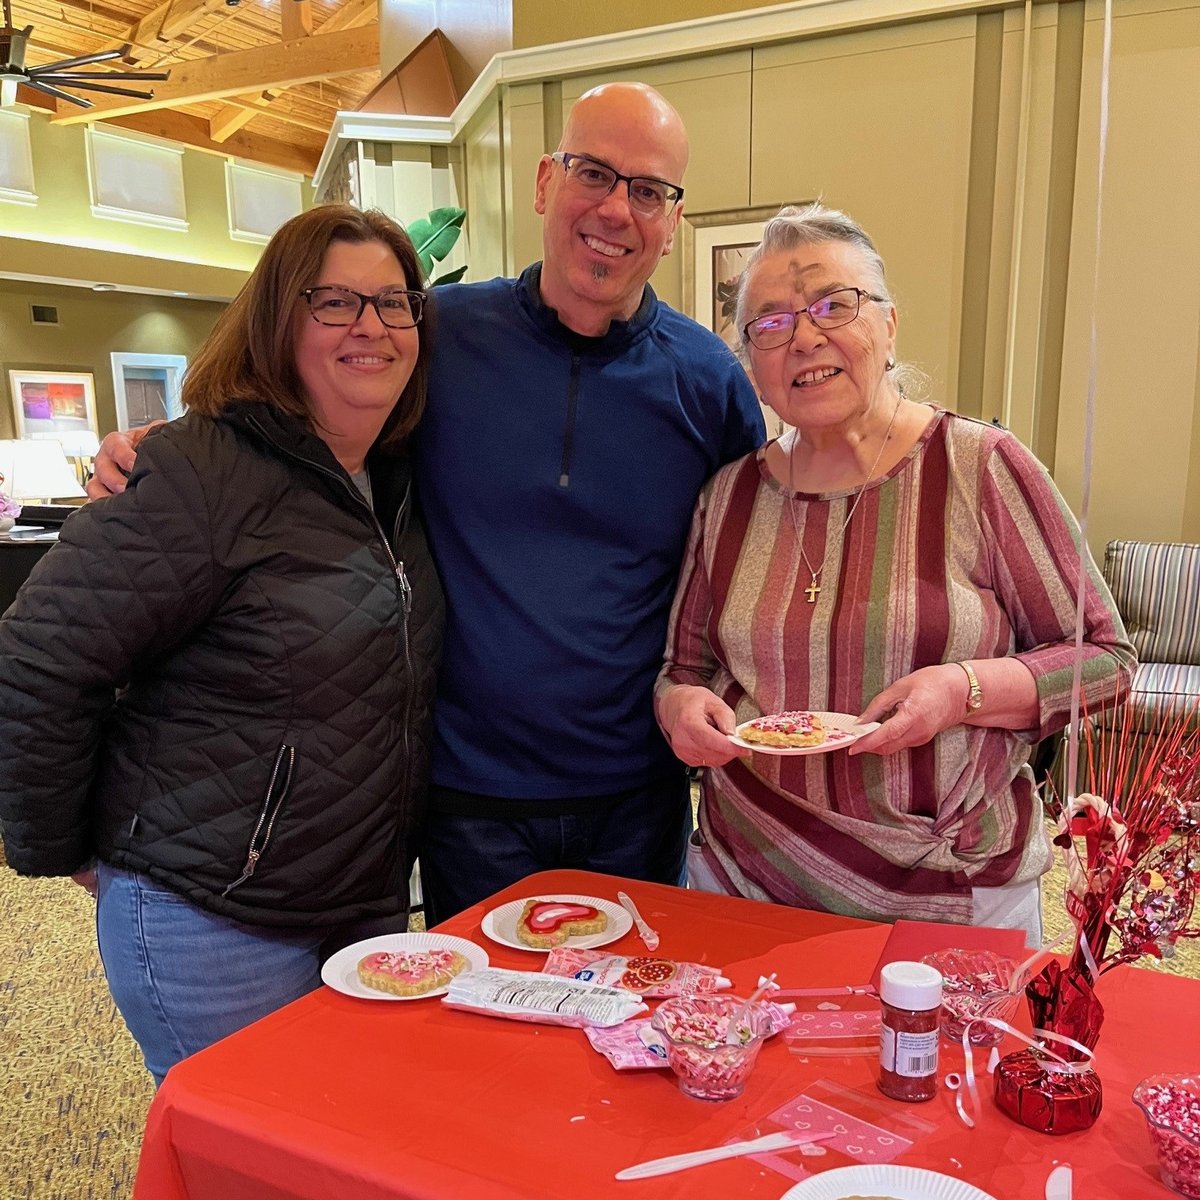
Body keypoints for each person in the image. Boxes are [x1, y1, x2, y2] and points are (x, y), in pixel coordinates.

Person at [89, 83, 766, 925]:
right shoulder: (436, 333)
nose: (617, 209)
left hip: (638, 791)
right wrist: (175, 445)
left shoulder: (709, 380)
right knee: (475, 1035)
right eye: (595, 173)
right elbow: (302, 417)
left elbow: (756, 553)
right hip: (465, 794)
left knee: (626, 1030)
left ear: (670, 221)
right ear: (547, 183)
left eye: (649, 190)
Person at [0, 204, 444, 1084]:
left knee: (330, 1145)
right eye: (336, 303)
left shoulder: (392, 477)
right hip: (210, 920)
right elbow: (38, 658)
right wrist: (69, 848)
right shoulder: (200, 469)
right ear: (278, 319)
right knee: (235, 1162)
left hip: (356, 905)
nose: (372, 328)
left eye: (394, 304)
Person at [655, 203, 1135, 945]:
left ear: (888, 324)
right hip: (747, 876)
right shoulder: (730, 497)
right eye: (771, 324)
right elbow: (683, 667)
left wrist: (962, 690)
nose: (805, 337)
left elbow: (1105, 658)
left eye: (833, 306)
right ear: (751, 365)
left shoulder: (981, 467)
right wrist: (679, 710)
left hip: (950, 885)